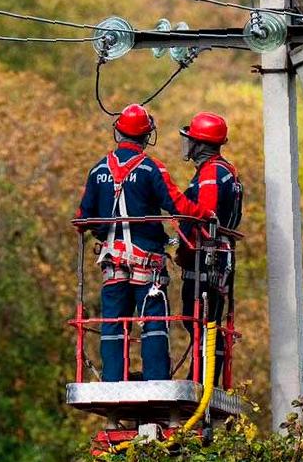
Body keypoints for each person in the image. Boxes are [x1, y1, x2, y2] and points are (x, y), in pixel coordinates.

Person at [76, 103, 214, 385]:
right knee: (153, 323)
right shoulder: (152, 168)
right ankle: (156, 380)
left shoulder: (98, 170)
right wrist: (205, 215)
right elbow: (177, 204)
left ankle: (113, 380)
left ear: (119, 133)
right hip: (147, 262)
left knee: (114, 323)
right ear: (146, 135)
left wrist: (102, 232)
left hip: (111, 261)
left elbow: (83, 216)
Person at [175, 112, 243, 386]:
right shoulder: (225, 171)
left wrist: (187, 247)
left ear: (201, 144)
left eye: (191, 140)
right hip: (217, 256)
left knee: (202, 320)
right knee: (204, 321)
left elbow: (205, 215)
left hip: (207, 258)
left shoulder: (212, 174)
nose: (187, 145)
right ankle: (201, 376)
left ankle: (202, 380)